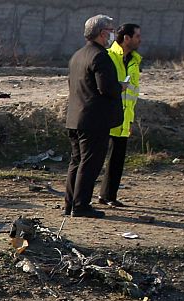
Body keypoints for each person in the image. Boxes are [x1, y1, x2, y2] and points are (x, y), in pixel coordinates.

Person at [63, 14, 122, 218]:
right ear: (102, 32)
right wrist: (120, 86)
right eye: (111, 30)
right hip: (94, 120)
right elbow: (106, 88)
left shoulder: (77, 55)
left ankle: (69, 204)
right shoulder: (100, 56)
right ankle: (81, 206)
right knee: (90, 164)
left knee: (77, 162)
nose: (113, 34)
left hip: (75, 117)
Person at [99, 24, 143, 209]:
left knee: (117, 159)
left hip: (124, 117)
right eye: (137, 36)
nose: (140, 40)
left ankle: (109, 196)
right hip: (106, 117)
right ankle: (80, 198)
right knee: (96, 158)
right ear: (126, 38)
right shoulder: (108, 56)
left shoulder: (134, 61)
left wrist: (130, 119)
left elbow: (132, 93)